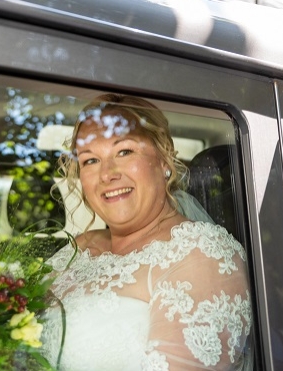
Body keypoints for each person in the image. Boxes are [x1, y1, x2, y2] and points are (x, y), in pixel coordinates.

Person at [40, 94, 253, 370]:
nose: (107, 174)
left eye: (124, 151)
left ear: (164, 159)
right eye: (91, 160)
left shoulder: (201, 255)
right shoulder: (80, 248)